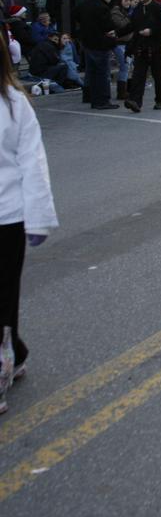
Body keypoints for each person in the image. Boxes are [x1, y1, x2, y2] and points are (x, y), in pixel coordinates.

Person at [0, 34, 58, 414]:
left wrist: (37, 217)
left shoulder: (14, 103)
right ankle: (14, 350)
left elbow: (32, 163)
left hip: (7, 216)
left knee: (4, 295)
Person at [124, 0, 161, 113]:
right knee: (138, 75)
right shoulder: (138, 9)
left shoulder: (158, 8)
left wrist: (151, 31)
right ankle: (135, 101)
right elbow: (131, 26)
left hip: (156, 47)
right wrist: (116, 32)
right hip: (141, 48)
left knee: (159, 76)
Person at [76, 0, 119, 109]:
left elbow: (75, 13)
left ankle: (92, 98)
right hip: (100, 43)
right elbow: (108, 25)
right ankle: (103, 100)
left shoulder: (86, 4)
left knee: (92, 72)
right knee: (102, 73)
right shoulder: (102, 8)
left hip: (88, 42)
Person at [109, 0, 134, 101]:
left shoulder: (125, 11)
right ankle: (121, 91)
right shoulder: (116, 12)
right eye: (126, 0)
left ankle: (128, 89)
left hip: (127, 42)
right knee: (124, 66)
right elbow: (123, 25)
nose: (128, 3)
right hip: (119, 43)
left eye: (129, 0)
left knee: (128, 66)